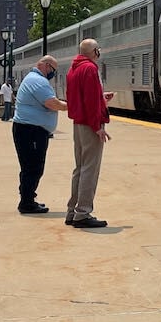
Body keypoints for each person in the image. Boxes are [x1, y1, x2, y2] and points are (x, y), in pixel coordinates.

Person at [65, 39, 113, 228]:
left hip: (78, 124)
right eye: (98, 49)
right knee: (90, 170)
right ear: (94, 51)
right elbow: (91, 102)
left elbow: (81, 97)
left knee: (80, 168)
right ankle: (83, 213)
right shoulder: (90, 69)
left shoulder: (73, 69)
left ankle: (72, 211)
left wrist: (101, 98)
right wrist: (98, 127)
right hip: (89, 124)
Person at [12, 56, 67, 214]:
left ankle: (28, 199)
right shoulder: (38, 81)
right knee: (33, 167)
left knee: (31, 166)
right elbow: (52, 103)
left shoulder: (33, 79)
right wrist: (69, 106)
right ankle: (27, 202)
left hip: (30, 130)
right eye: (53, 70)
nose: (53, 73)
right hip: (31, 131)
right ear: (45, 65)